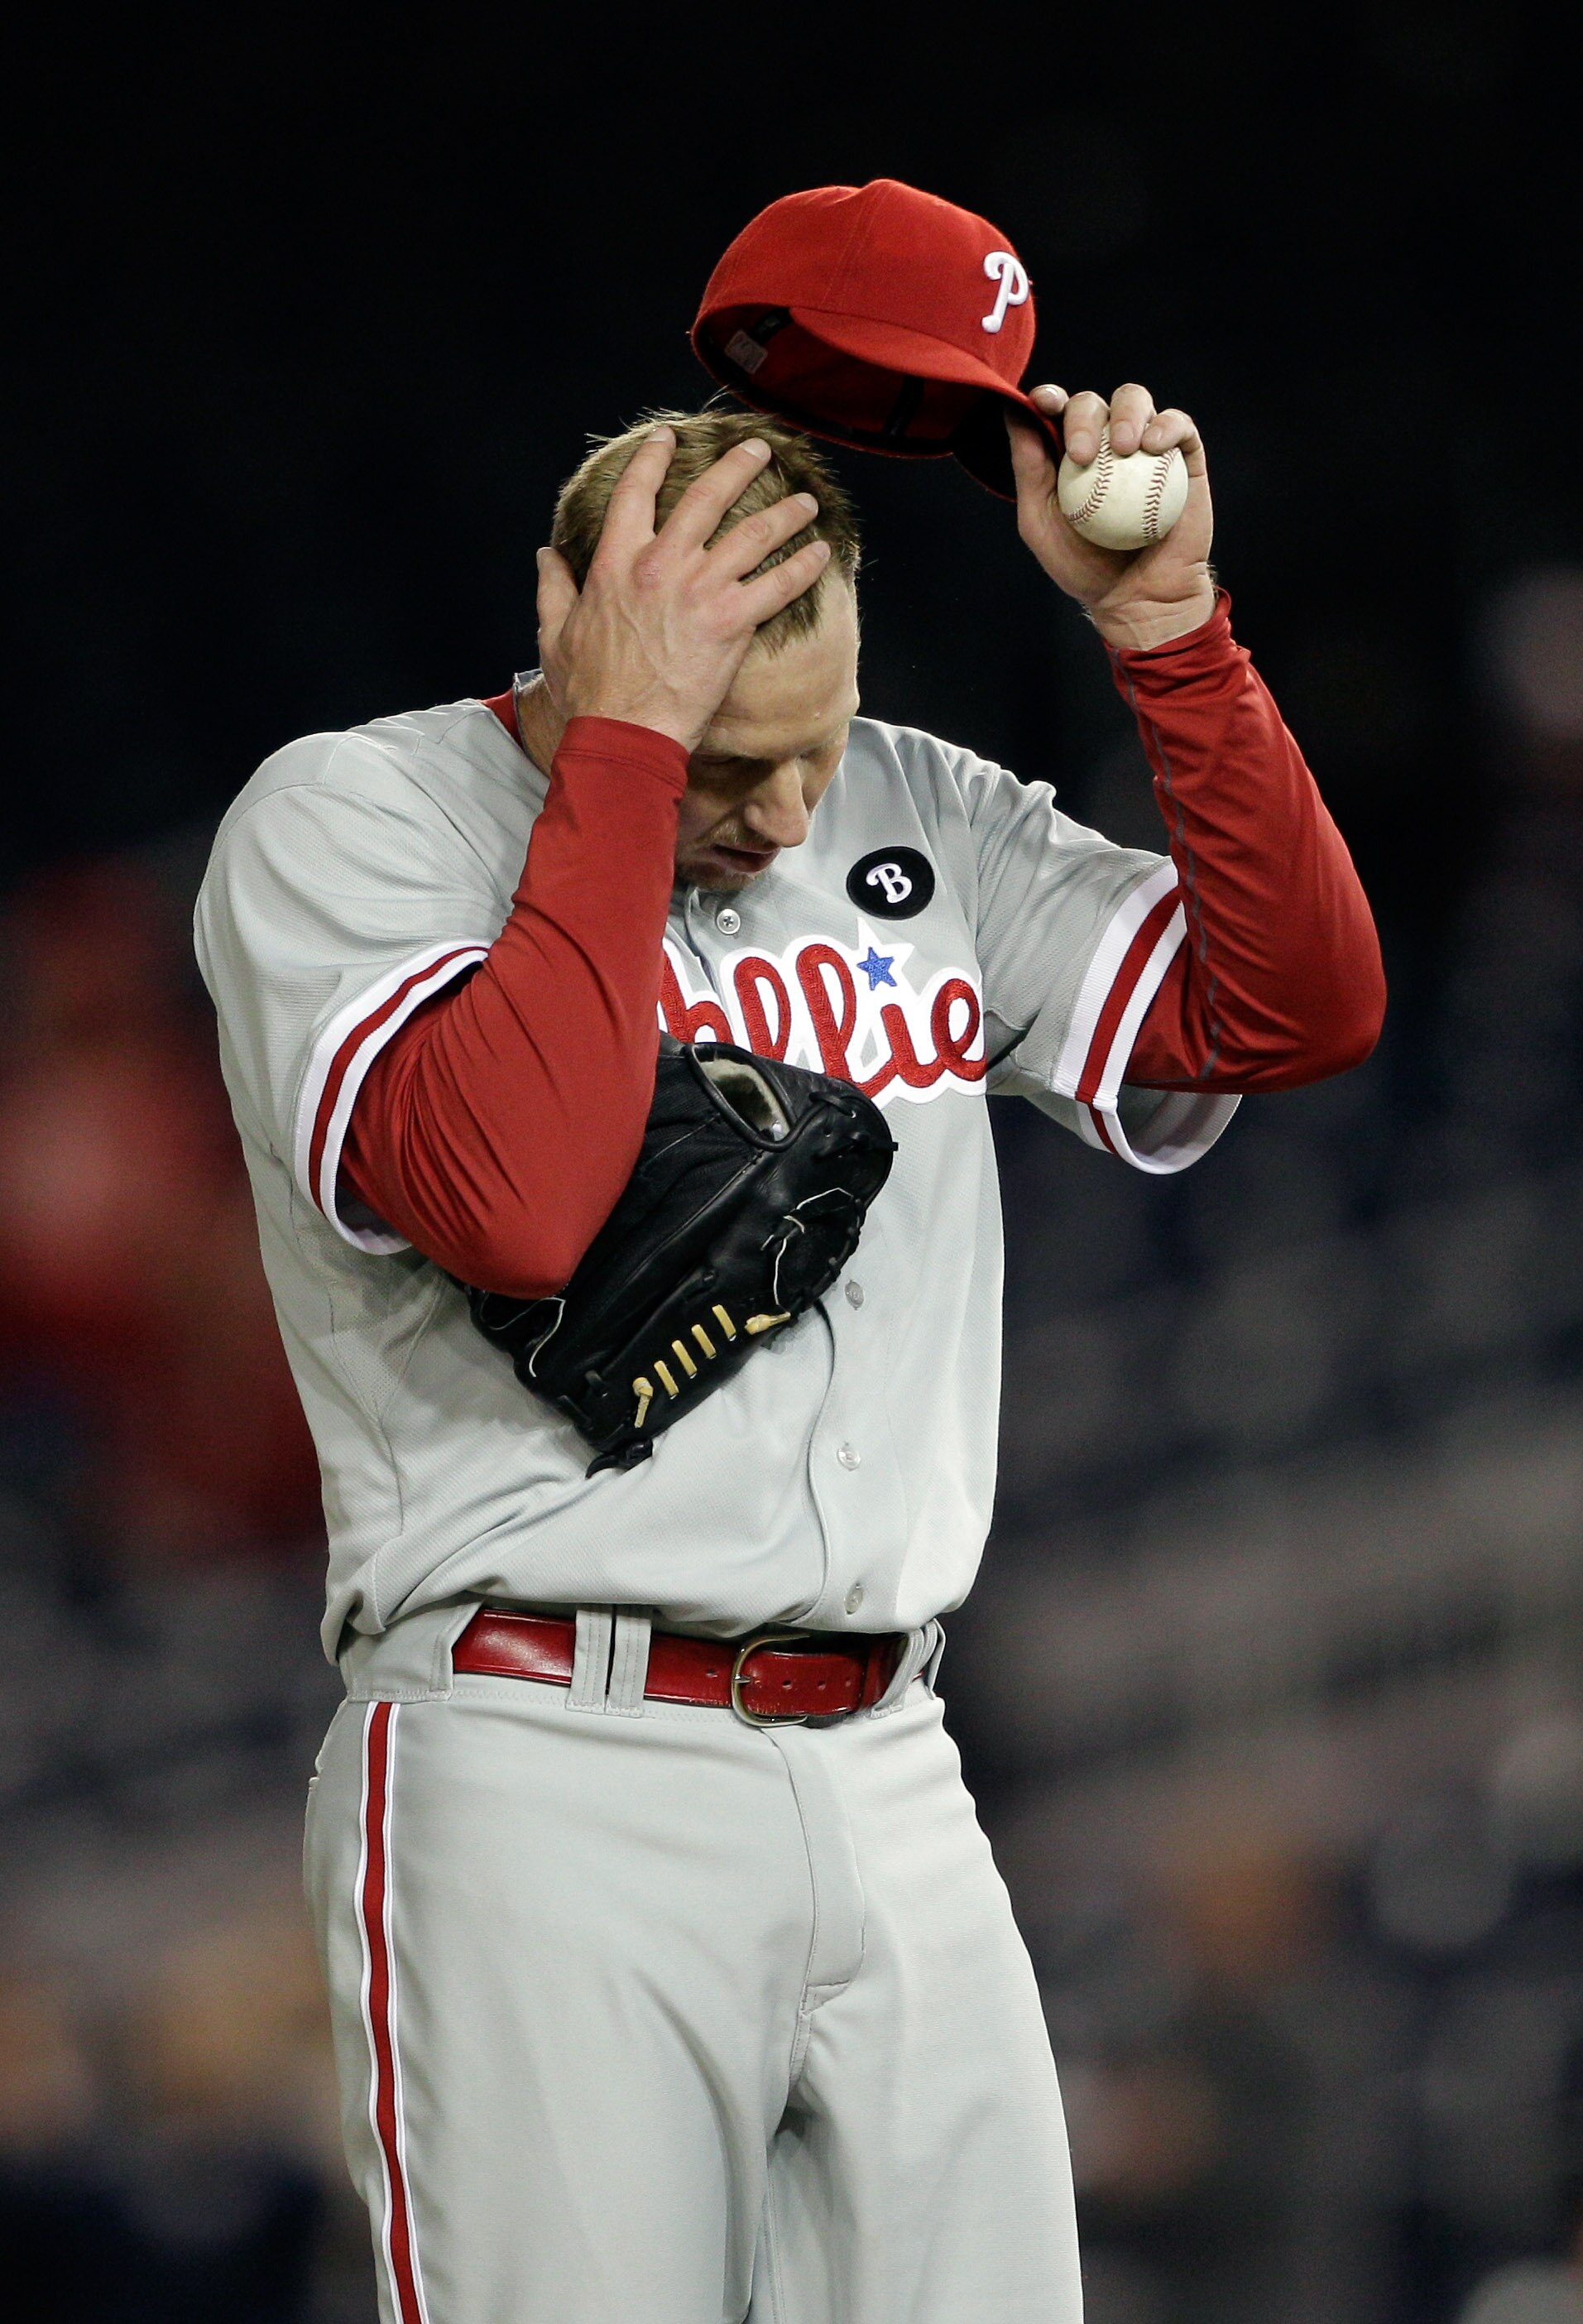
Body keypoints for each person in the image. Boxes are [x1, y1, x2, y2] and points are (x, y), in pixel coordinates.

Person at [194, 377, 1384, 2322]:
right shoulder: (359, 815)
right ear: (569, 617)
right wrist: (631, 761)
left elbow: (1292, 1007)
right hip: (544, 1757)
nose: (782, 816)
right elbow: (503, 1202)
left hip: (898, 1764)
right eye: (731, 758)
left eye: (810, 748)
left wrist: (1172, 634)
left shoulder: (919, 811)